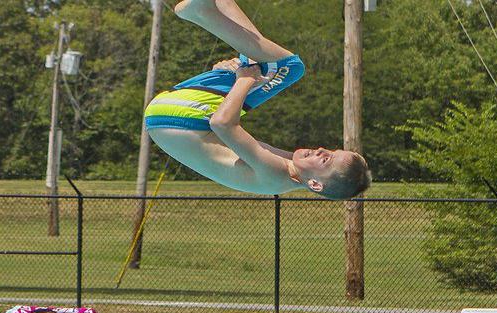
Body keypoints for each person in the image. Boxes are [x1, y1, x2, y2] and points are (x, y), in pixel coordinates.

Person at [145, 0, 372, 199]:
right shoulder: (289, 167)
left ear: (315, 184)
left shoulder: (275, 174)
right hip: (171, 118)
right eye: (330, 151)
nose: (322, 150)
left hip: (179, 119)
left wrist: (243, 80)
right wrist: (233, 76)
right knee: (264, 66)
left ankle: (206, 12)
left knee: (289, 68)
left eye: (326, 160)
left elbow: (222, 124)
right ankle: (216, 7)